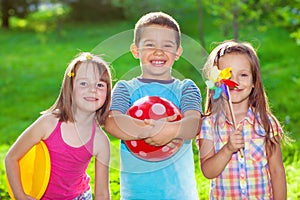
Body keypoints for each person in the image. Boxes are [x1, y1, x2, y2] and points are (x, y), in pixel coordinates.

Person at [104, 12, 202, 199]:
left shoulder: (185, 88)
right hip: (137, 194)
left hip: (180, 194)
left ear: (178, 52)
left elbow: (194, 124)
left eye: (167, 45)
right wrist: (152, 131)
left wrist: (171, 130)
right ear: (135, 50)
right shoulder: (125, 89)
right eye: (150, 45)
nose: (159, 52)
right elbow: (111, 122)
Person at [5, 52, 112, 200]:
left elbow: (102, 194)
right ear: (70, 88)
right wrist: (20, 196)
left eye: (100, 84)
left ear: (107, 93)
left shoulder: (100, 141)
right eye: (83, 83)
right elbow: (11, 158)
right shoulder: (49, 123)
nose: (92, 89)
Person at [197, 40, 287, 199]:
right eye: (227, 74)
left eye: (243, 74)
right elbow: (208, 171)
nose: (235, 81)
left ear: (254, 82)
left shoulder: (266, 123)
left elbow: (277, 170)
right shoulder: (208, 125)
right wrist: (228, 149)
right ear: (216, 81)